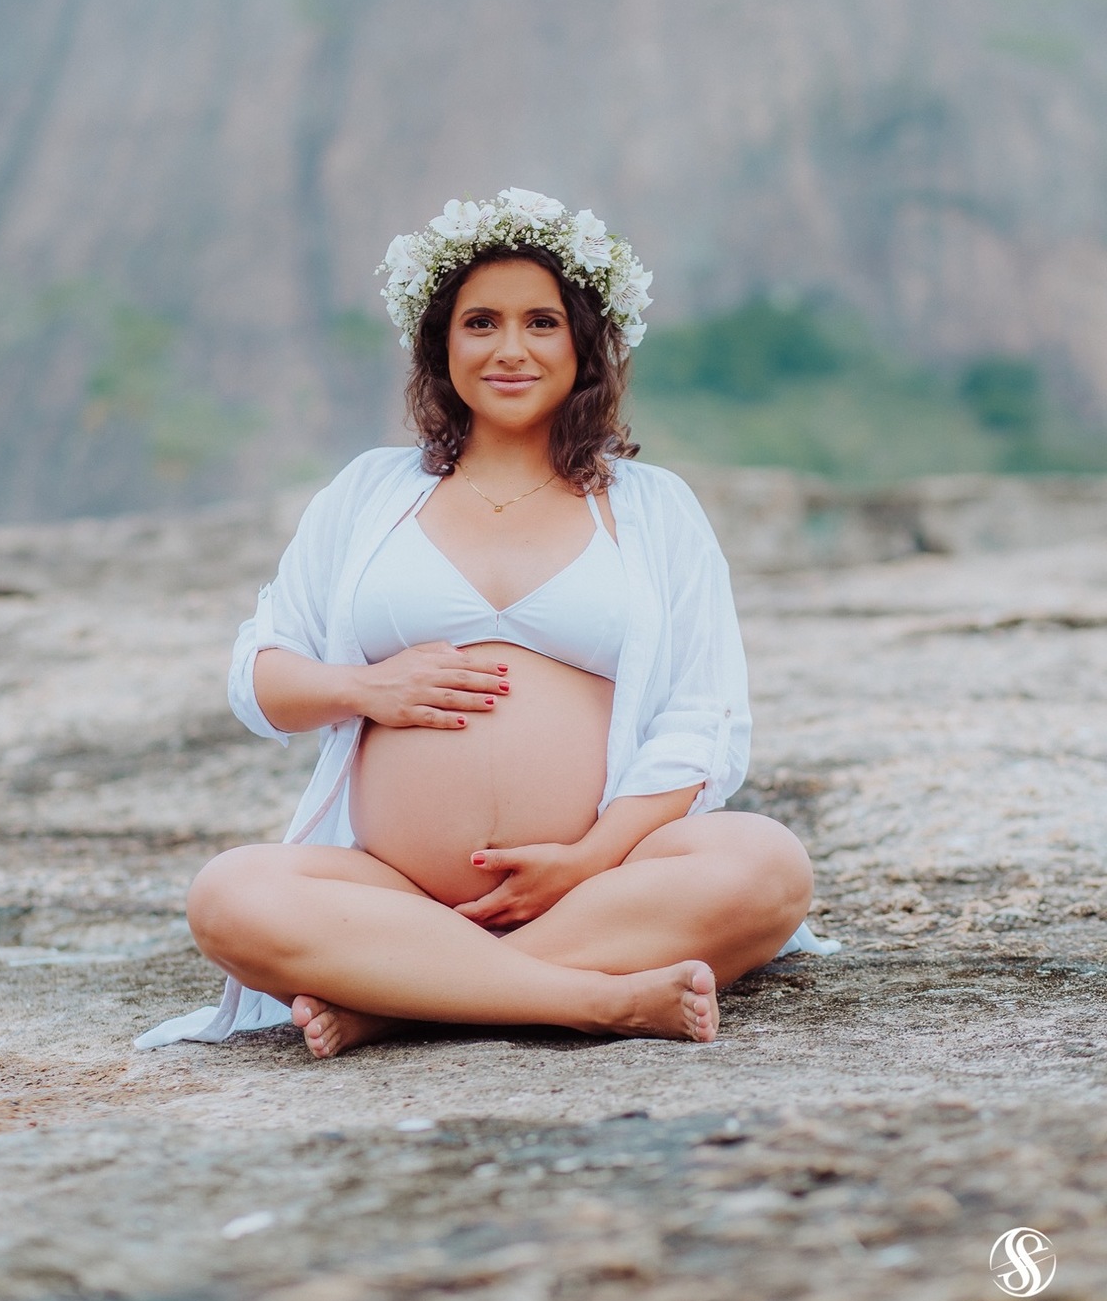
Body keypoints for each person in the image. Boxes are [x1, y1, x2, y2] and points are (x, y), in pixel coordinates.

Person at [136, 189, 833, 1059]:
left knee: (765, 866)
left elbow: (703, 718)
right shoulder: (369, 494)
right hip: (392, 890)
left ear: (586, 343)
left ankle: (401, 1005)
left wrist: (590, 858)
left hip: (597, 885)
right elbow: (261, 675)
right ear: (442, 344)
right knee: (229, 895)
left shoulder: (654, 509)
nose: (511, 349)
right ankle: (590, 1000)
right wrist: (365, 687)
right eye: (480, 324)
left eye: (542, 322)